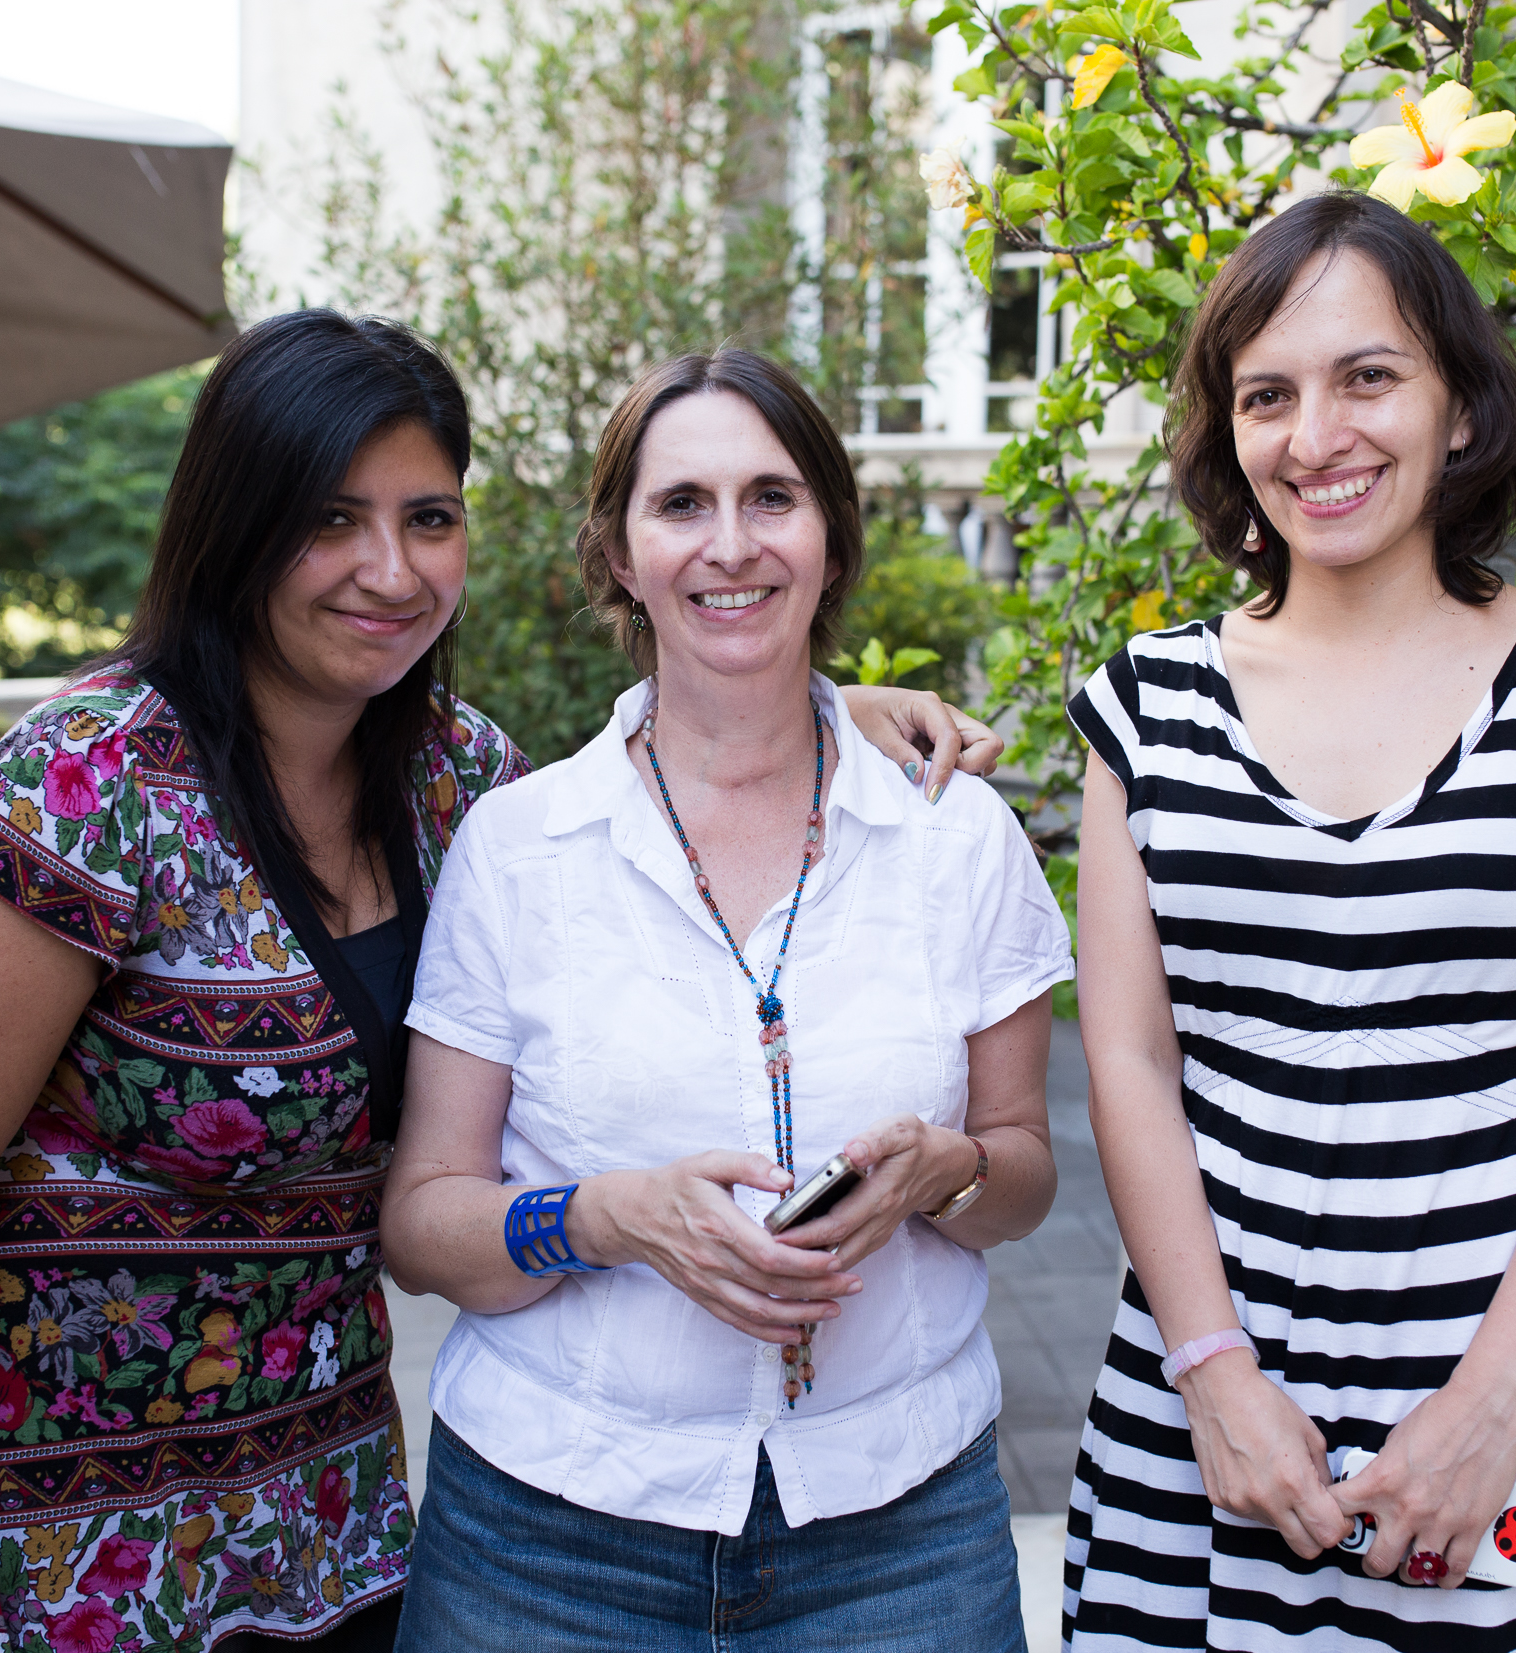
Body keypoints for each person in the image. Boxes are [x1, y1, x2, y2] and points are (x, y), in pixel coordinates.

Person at [0, 311, 1006, 1653]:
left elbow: (661, 783)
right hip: (62, 1520)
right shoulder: (88, 786)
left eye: (429, 519)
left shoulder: (452, 776)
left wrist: (834, 713)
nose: (391, 569)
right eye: (331, 519)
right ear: (237, 527)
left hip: (322, 1512)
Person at [1059, 191, 1516, 1652]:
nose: (1317, 435)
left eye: (1368, 376)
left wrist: (1490, 1405)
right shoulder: (1145, 707)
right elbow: (1129, 1062)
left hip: (1505, 1433)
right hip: (1200, 1435)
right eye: (1267, 395)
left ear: (1459, 406)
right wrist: (1213, 1373)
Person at [380, 346, 1072, 1652]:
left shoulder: (956, 836)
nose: (732, 544)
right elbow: (422, 1226)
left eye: (772, 497)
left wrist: (947, 1174)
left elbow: (1023, 1175)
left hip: (902, 1535)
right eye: (682, 503)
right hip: (549, 1543)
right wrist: (605, 1218)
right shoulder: (519, 849)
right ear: (619, 553)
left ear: (830, 535)